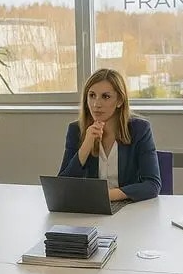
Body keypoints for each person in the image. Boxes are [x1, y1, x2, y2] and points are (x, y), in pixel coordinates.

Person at [58, 68, 160, 202]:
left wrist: (109, 195)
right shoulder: (76, 130)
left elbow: (152, 185)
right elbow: (62, 187)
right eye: (92, 95)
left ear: (119, 101)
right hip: (90, 211)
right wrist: (86, 145)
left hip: (128, 209)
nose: (96, 104)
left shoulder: (140, 129)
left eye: (105, 97)